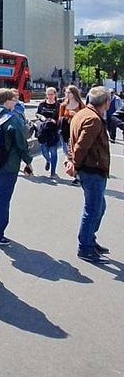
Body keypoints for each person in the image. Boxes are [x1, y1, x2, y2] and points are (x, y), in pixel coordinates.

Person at [65, 85, 111, 263]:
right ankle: (85, 246)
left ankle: (89, 239)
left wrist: (71, 160)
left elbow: (72, 141)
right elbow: (81, 145)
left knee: (99, 207)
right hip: (92, 169)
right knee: (92, 210)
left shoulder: (82, 114)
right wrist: (74, 163)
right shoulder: (93, 119)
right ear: (106, 103)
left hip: (90, 168)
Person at [0, 89, 33, 246]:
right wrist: (28, 162)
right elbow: (21, 143)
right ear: (7, 101)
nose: (16, 102)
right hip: (8, 164)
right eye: (14, 99)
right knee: (3, 199)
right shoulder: (12, 120)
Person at [58, 84, 85, 183]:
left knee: (76, 152)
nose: (67, 94)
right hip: (65, 131)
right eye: (66, 92)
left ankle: (76, 174)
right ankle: (70, 164)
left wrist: (76, 115)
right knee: (67, 151)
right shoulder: (63, 105)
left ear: (74, 93)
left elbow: (84, 118)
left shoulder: (81, 105)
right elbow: (60, 119)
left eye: (69, 92)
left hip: (76, 131)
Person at [35, 86, 60, 176]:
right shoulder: (42, 104)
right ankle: (48, 160)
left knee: (53, 151)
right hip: (43, 130)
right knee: (44, 149)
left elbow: (61, 117)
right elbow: (37, 114)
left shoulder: (58, 105)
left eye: (51, 94)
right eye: (48, 94)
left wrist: (55, 121)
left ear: (55, 94)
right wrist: (41, 117)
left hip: (54, 131)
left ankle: (53, 171)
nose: (49, 96)